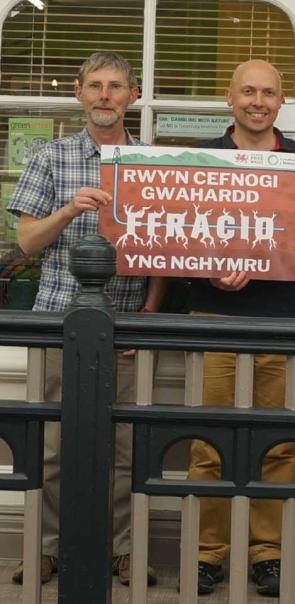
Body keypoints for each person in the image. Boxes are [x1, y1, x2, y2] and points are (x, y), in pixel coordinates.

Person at [184, 60, 295, 597]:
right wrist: (206, 270)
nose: (258, 100)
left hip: (285, 321)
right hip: (211, 318)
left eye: (268, 92)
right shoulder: (202, 159)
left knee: (277, 447)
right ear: (229, 98)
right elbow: (181, 234)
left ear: (281, 102)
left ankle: (268, 556)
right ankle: (208, 555)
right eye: (247, 91)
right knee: (208, 447)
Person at [6, 51, 163, 586]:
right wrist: (70, 209)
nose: (104, 96)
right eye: (94, 86)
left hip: (126, 327)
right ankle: (47, 548)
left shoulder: (152, 162)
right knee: (52, 446)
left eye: (115, 87)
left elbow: (167, 247)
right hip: (59, 322)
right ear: (78, 92)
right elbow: (26, 240)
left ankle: (123, 550)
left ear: (132, 96)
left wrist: (151, 308)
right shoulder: (49, 156)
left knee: (124, 448)